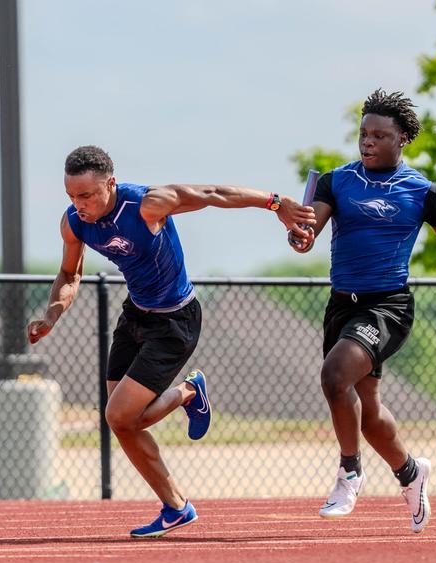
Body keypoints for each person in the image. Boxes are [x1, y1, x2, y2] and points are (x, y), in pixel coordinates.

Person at [28, 145, 316, 538]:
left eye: (87, 195)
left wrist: (275, 203)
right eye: (72, 196)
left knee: (119, 416)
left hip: (175, 322)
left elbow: (212, 194)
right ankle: (176, 507)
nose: (79, 205)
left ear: (110, 184)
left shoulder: (148, 204)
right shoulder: (74, 222)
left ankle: (187, 392)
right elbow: (69, 274)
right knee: (124, 423)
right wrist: (51, 315)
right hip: (135, 315)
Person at [289, 89, 436, 533]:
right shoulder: (336, 181)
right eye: (363, 134)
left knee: (335, 377)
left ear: (402, 138)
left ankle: (349, 472)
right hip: (342, 304)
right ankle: (411, 473)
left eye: (379, 135)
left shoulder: (423, 191)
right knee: (369, 414)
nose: (367, 142)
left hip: (387, 306)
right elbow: (311, 227)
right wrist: (302, 235)